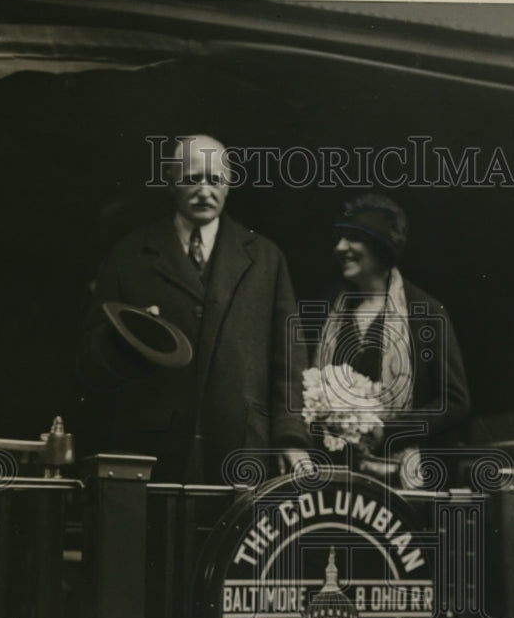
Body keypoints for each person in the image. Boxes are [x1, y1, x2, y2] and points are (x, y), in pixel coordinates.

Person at [77, 134, 311, 484]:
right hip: (152, 449)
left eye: (215, 180)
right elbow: (92, 361)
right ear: (171, 181)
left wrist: (291, 438)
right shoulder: (129, 256)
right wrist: (125, 341)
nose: (204, 190)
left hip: (242, 447)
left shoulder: (265, 258)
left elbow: (289, 359)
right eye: (192, 178)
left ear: (229, 185)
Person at [310, 193, 470, 478]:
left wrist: (387, 431)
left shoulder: (425, 313)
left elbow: (455, 402)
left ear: (380, 246)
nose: (340, 247)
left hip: (400, 477)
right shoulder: (329, 310)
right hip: (333, 475)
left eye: (353, 238)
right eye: (339, 238)